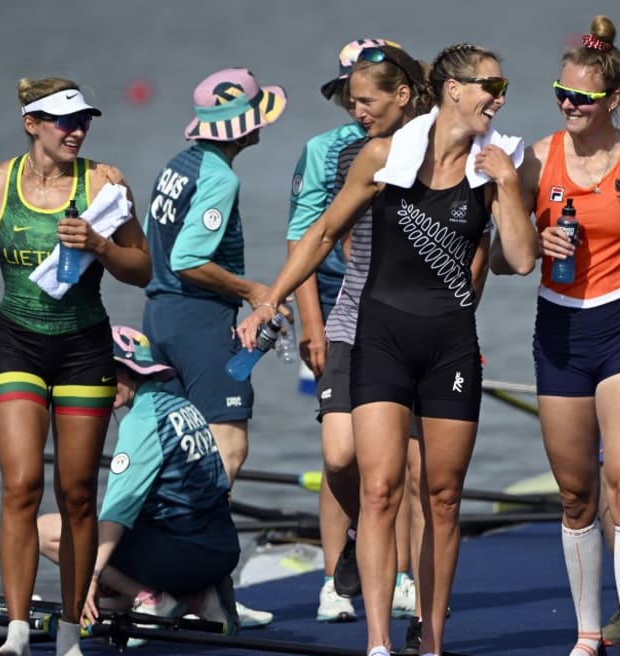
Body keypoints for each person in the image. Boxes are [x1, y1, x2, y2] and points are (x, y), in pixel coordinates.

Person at [237, 42, 537, 656]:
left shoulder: (498, 164)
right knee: (378, 490)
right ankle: (377, 643)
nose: (500, 96)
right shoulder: (383, 154)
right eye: (490, 84)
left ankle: (431, 642)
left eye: (502, 85)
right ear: (452, 89)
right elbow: (322, 233)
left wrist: (507, 184)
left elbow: (523, 258)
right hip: (379, 336)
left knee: (445, 499)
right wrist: (271, 301)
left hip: (450, 344)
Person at [0, 77, 151, 656]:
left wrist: (100, 245)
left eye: (84, 121)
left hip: (84, 349)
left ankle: (70, 630)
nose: (77, 131)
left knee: (76, 493)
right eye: (64, 121)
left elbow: (140, 269)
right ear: (31, 123)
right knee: (20, 485)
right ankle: (17, 632)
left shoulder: (105, 183)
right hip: (16, 344)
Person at [495, 16, 620, 656]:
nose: (568, 106)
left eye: (582, 98)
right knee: (576, 494)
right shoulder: (534, 159)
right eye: (561, 94)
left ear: (614, 101)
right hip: (558, 329)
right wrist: (533, 237)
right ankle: (588, 635)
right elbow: (507, 261)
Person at [141, 67, 286, 627]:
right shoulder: (222, 178)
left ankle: (203, 594)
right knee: (224, 449)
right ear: (243, 126)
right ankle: (173, 576)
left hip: (161, 318)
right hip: (199, 321)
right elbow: (187, 260)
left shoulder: (176, 165)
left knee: (178, 454)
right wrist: (255, 292)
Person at [286, 38, 420, 626]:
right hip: (340, 312)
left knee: (405, 460)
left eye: (363, 91)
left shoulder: (424, 143)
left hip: (409, 316)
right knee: (340, 458)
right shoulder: (325, 152)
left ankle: (406, 576)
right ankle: (337, 570)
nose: (354, 104)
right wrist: (310, 326)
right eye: (347, 93)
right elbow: (305, 240)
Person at [37, 325, 240, 634]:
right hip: (223, 551)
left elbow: (117, 512)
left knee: (44, 530)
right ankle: (199, 594)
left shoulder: (142, 421)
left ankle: (152, 599)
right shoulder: (181, 405)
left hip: (184, 556)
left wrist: (89, 576)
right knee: (108, 606)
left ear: (122, 372)